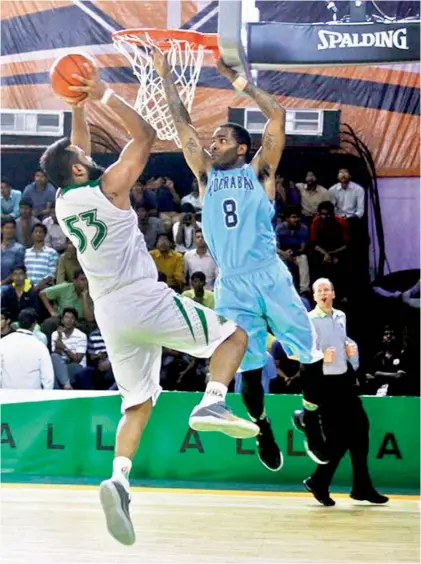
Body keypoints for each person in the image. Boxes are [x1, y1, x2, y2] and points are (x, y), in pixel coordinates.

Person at [41, 60, 258, 546]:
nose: (89, 154)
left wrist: (78, 107)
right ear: (79, 168)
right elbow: (145, 137)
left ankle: (119, 478)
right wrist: (102, 94)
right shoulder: (109, 188)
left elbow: (76, 150)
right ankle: (213, 403)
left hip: (110, 313)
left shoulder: (63, 199)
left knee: (137, 403)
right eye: (82, 154)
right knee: (233, 337)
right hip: (141, 296)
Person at [157, 49, 329, 472]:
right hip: (230, 282)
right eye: (212, 138)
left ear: (241, 146)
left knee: (308, 353)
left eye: (221, 138)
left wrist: (240, 82)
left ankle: (310, 414)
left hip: (268, 274)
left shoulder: (260, 171)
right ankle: (262, 427)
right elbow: (182, 127)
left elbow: (277, 118)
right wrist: (165, 75)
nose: (212, 142)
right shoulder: (204, 175)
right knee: (248, 368)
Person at [293, 278, 388, 506]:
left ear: (333, 293)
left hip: (344, 382)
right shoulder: (309, 321)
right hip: (323, 385)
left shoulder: (340, 316)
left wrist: (350, 351)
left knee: (359, 432)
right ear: (314, 296)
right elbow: (298, 352)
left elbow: (341, 342)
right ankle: (324, 481)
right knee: (339, 439)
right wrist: (320, 359)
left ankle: (353, 485)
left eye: (327, 289)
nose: (324, 293)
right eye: (319, 291)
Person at [0, 307, 54, 390]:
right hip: (33, 398)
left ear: (18, 322)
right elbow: (48, 378)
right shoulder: (40, 346)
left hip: (7, 396)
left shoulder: (3, 342)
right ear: (34, 324)